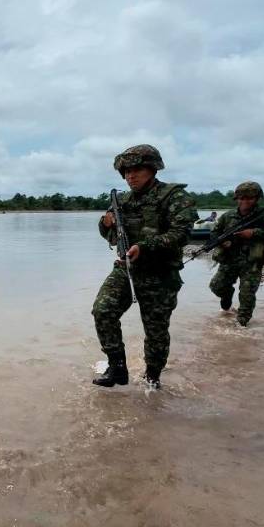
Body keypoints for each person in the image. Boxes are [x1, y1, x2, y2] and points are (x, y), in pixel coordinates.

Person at [92, 144, 198, 389]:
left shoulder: (174, 197)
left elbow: (181, 234)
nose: (131, 175)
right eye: (127, 171)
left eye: (137, 169)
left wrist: (146, 246)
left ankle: (153, 378)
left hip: (160, 274)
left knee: (156, 331)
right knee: (102, 310)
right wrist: (105, 223)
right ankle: (117, 368)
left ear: (152, 169)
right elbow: (110, 236)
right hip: (126, 269)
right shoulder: (122, 201)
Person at [207, 182, 264, 326]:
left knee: (247, 294)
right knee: (216, 286)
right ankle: (227, 298)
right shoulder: (228, 216)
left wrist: (254, 233)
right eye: (241, 198)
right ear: (237, 198)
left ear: (257, 198)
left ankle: (242, 325)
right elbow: (215, 233)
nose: (245, 201)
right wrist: (222, 242)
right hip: (229, 258)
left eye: (249, 198)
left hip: (252, 260)